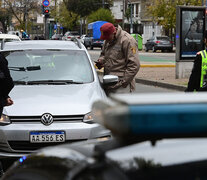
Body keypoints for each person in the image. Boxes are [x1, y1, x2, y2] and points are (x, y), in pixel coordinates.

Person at [95, 23, 140, 95]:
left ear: (114, 32)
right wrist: (101, 61)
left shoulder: (127, 40)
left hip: (121, 87)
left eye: (107, 37)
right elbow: (103, 54)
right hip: (108, 84)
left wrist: (123, 82)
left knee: (121, 106)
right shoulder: (107, 41)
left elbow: (134, 64)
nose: (106, 39)